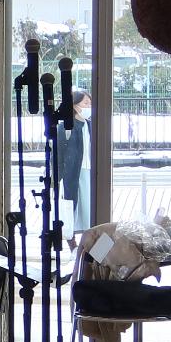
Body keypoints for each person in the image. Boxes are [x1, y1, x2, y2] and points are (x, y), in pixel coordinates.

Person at [58, 88, 93, 237]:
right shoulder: (66, 127)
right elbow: (59, 154)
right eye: (85, 103)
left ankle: (88, 239)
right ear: (75, 105)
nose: (89, 107)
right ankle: (71, 241)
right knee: (71, 208)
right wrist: (57, 176)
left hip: (89, 171)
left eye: (90, 104)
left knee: (88, 210)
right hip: (73, 173)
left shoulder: (91, 125)